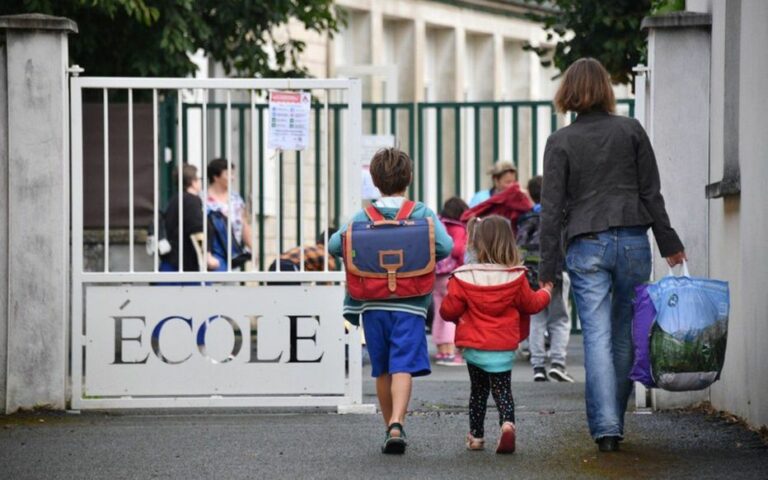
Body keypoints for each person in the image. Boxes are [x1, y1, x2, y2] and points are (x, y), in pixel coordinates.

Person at [539, 58, 686, 453]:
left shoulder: (561, 142)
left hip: (587, 244)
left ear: (568, 92)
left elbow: (551, 210)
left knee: (597, 337)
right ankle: (613, 420)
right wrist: (669, 244)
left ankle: (607, 430)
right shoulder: (631, 130)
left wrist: (547, 270)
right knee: (625, 335)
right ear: (605, 89)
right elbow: (650, 193)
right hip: (635, 240)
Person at [328, 147, 453, 454]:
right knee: (403, 366)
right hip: (409, 302)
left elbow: (334, 244)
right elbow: (446, 246)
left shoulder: (363, 216)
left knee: (381, 367)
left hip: (371, 303)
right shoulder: (421, 212)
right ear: (408, 178)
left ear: (374, 180)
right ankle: (398, 421)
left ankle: (390, 428)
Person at [439, 215, 552, 454]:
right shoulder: (516, 276)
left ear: (476, 243)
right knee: (503, 390)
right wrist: (546, 292)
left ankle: (476, 437)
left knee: (478, 392)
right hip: (502, 346)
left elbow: (449, 311)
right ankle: (508, 424)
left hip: (475, 346)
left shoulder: (463, 276)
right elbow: (531, 304)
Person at [520, 176, 574, 383]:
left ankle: (538, 367)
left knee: (537, 320)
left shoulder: (527, 221)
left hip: (531, 277)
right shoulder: (561, 217)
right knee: (559, 319)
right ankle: (558, 364)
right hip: (558, 274)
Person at [160, 164, 219, 274]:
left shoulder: (176, 199)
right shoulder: (191, 201)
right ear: (193, 182)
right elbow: (197, 230)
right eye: (199, 179)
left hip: (172, 263)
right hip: (187, 267)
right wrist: (207, 257)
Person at [432, 197, 469, 366]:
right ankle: (450, 349)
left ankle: (440, 348)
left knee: (439, 311)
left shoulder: (438, 224)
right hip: (450, 274)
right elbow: (458, 250)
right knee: (452, 312)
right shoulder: (458, 228)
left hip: (435, 274)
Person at [206, 158, 253, 271]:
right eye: (228, 174)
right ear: (215, 177)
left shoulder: (236, 198)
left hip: (232, 255)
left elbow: (244, 224)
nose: (233, 178)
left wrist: (252, 247)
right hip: (211, 255)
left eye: (233, 174)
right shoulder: (202, 199)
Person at [268, 228, 338, 273]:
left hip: (275, 265)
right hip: (290, 267)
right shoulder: (325, 255)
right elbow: (328, 280)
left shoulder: (310, 248)